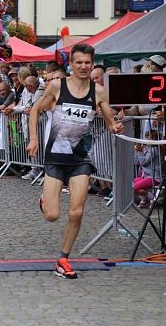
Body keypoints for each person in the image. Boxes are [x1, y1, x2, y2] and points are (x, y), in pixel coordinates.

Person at [27, 43, 124, 279]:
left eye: (87, 63)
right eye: (78, 62)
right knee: (52, 215)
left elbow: (109, 118)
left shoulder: (98, 91)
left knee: (77, 212)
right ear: (70, 64)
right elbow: (35, 110)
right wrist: (33, 138)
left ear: (92, 64)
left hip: (81, 158)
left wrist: (114, 125)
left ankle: (63, 259)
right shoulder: (57, 85)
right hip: (56, 157)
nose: (83, 66)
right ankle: (45, 200)